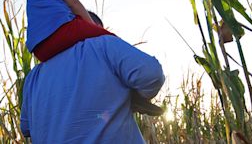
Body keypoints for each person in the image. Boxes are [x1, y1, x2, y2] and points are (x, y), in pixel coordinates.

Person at [20, 33, 165, 143]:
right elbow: (152, 75)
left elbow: (26, 128)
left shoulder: (33, 76)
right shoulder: (101, 45)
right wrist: (135, 98)